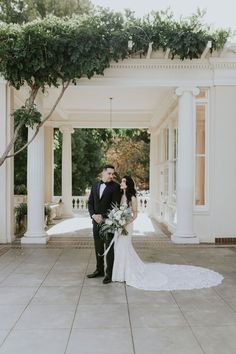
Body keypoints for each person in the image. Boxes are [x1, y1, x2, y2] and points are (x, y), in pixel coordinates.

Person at [112, 175, 224, 291]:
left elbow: (135, 215)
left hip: (128, 226)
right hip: (121, 225)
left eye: (124, 181)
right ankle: (120, 273)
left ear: (128, 184)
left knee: (123, 246)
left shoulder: (133, 198)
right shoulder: (121, 196)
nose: (121, 183)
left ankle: (127, 273)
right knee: (120, 247)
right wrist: (118, 221)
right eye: (122, 181)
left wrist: (125, 223)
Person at [87, 164, 121, 284]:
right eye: (109, 173)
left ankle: (109, 274)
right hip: (95, 221)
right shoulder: (95, 184)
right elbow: (90, 203)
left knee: (109, 248)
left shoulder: (116, 187)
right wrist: (93, 215)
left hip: (109, 222)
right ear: (103, 173)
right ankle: (99, 270)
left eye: (113, 174)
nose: (111, 176)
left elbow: (115, 206)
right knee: (98, 247)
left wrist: (104, 217)